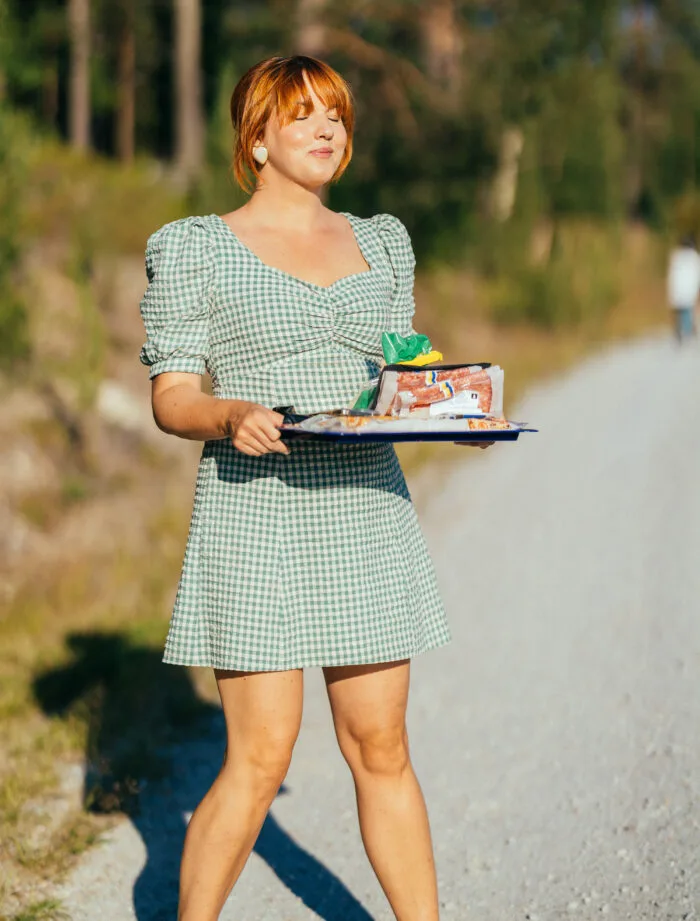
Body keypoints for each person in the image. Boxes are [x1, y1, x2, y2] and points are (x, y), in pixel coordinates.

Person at [139, 54, 489, 921]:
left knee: (381, 743)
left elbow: (403, 371)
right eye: (302, 114)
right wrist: (228, 414)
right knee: (260, 756)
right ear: (257, 138)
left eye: (335, 113)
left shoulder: (382, 240)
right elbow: (172, 397)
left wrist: (452, 410)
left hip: (366, 506)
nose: (327, 127)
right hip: (256, 509)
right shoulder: (197, 247)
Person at [667, 235, 700, 343]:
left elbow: (672, 274)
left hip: (678, 290)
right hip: (689, 290)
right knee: (688, 311)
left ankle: (681, 330)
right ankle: (687, 331)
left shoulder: (676, 256)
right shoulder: (694, 257)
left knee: (681, 312)